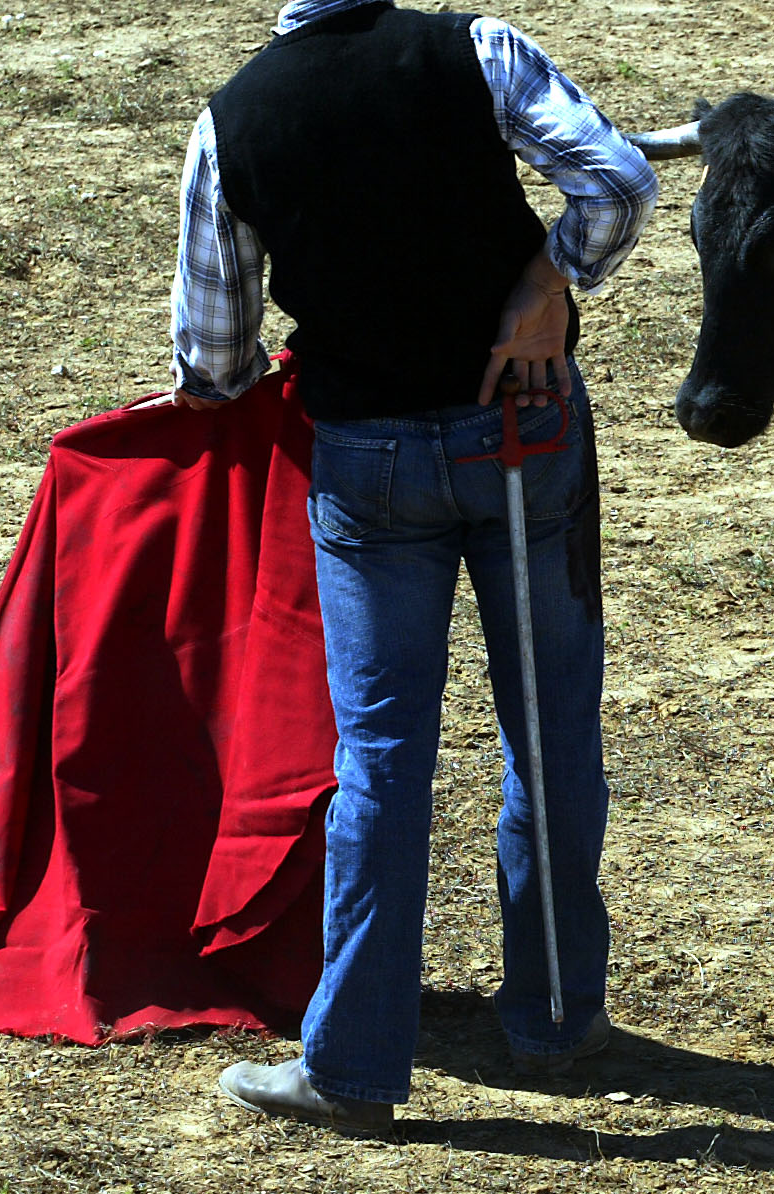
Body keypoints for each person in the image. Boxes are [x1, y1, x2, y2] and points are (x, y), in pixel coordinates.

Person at [174, 0, 659, 1133]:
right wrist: (546, 282)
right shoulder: (474, 50)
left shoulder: (233, 121)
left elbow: (215, 360)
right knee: (550, 728)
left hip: (369, 467)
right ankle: (556, 1015)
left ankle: (351, 1065)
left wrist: (228, 379)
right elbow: (618, 183)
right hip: (523, 432)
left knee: (382, 760)